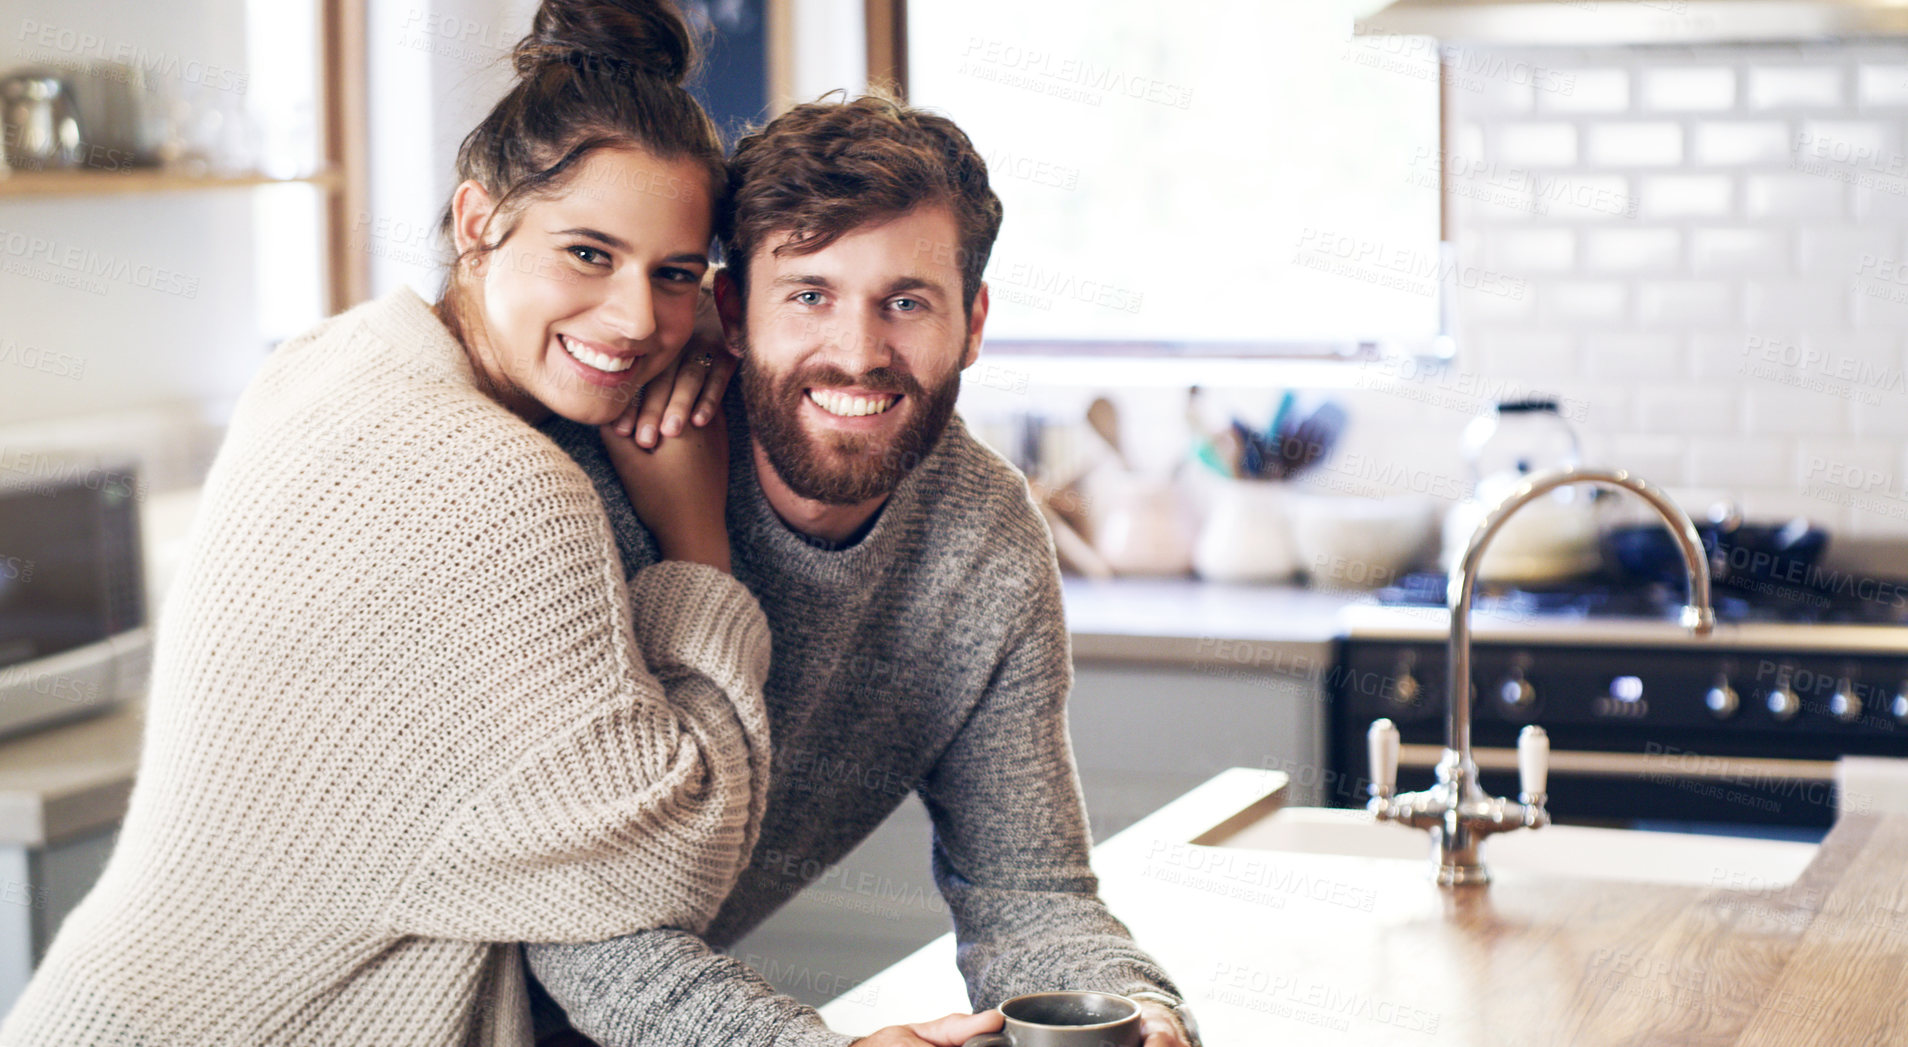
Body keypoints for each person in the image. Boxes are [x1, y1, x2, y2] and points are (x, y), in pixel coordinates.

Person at [0, 2, 778, 1044]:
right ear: (476, 221)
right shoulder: (499, 481)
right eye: (589, 254)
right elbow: (677, 851)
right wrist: (696, 542)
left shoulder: (334, 362)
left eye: (675, 275)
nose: (640, 319)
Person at [528, 95, 1200, 1047]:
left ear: (972, 323)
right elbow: (583, 916)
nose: (857, 353)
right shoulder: (587, 491)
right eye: (809, 294)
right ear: (732, 310)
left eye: (907, 302)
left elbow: (1028, 891)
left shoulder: (985, 546)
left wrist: (1140, 1016)